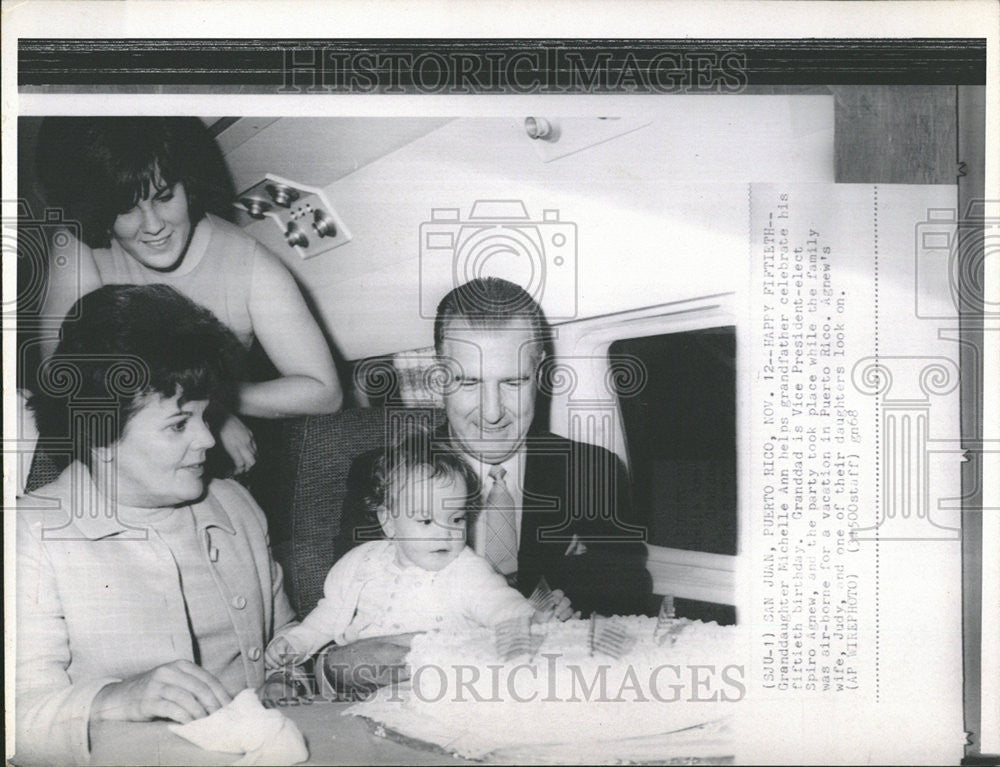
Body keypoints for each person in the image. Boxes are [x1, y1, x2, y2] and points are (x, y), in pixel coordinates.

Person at [16, 284, 298, 767]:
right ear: (100, 434)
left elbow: (285, 641)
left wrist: (296, 673)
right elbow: (14, 719)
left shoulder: (235, 506)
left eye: (205, 416)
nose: (208, 439)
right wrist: (115, 700)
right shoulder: (32, 537)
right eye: (178, 424)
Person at [328, 277, 652, 690]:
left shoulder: (594, 469)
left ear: (539, 375)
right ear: (440, 378)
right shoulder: (383, 474)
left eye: (513, 382)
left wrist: (572, 607)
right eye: (469, 382)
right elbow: (356, 618)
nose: (493, 413)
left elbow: (626, 591)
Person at [34, 117, 343, 475]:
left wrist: (211, 403)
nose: (153, 225)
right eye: (126, 207)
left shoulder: (252, 265)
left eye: (165, 197)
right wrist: (203, 406)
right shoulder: (76, 246)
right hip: (107, 448)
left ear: (187, 187)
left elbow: (325, 392)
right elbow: (64, 381)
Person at [266, 429, 572, 670]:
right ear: (388, 522)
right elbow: (329, 615)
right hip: (366, 676)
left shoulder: (467, 569)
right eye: (425, 520)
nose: (446, 533)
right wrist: (295, 643)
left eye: (456, 518)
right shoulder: (362, 562)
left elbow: (500, 604)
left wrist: (530, 621)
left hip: (443, 681)